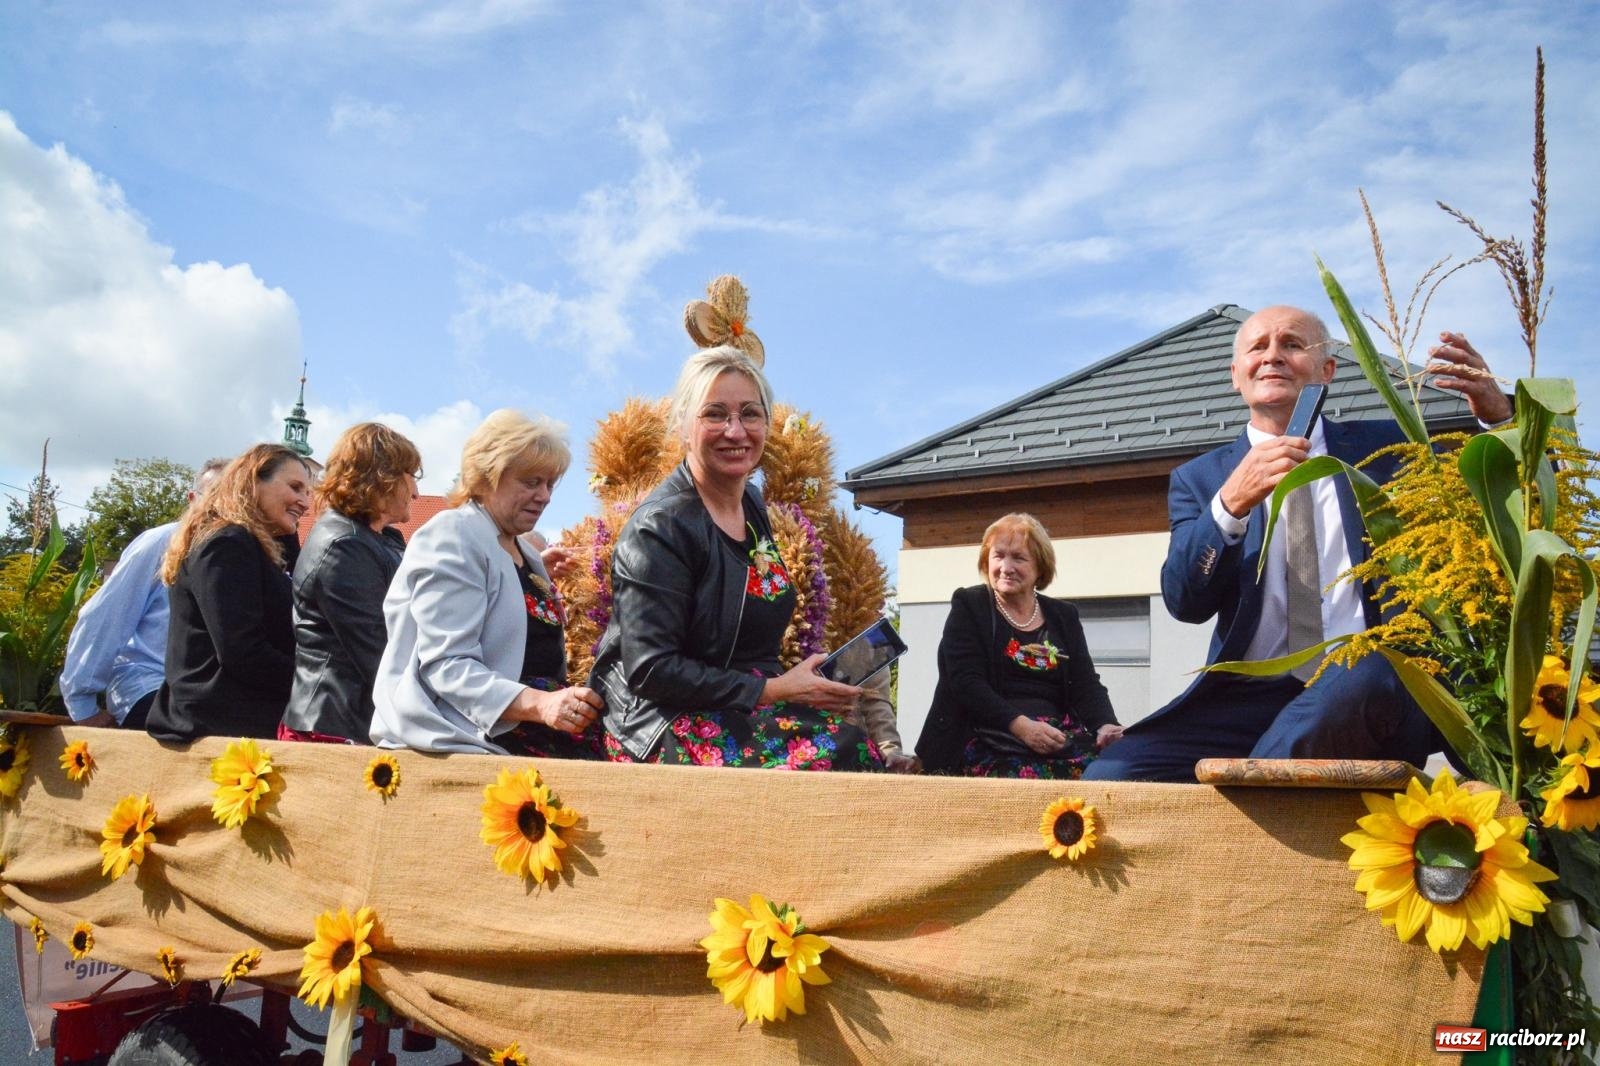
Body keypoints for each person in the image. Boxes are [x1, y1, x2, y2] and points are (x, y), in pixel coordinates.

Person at [1084, 308, 1512, 782]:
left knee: (1364, 668)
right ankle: (1262, 779)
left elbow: (1512, 499)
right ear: (1235, 376)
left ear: (1327, 369)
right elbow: (1185, 602)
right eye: (1257, 347)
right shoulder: (1200, 479)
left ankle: (1255, 784)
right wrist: (1228, 507)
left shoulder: (1392, 450)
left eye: (1291, 344)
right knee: (1114, 777)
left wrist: (1500, 418)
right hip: (1247, 698)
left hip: (1368, 684)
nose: (1273, 356)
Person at [589, 346, 881, 770]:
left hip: (736, 701)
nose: (735, 430)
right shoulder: (659, 527)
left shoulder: (752, 506)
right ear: (684, 425)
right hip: (659, 719)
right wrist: (777, 692)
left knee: (856, 744)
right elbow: (651, 671)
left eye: (749, 413)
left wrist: (803, 685)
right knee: (841, 753)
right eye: (715, 414)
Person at [369, 410, 604, 755]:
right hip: (468, 738)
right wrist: (542, 705)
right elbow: (446, 666)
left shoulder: (527, 552)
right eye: (531, 482)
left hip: (534, 732)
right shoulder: (453, 534)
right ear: (486, 477)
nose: (545, 496)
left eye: (550, 484)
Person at [917, 513, 1121, 778]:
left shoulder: (1063, 615)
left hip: (1056, 737)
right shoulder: (970, 604)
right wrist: (1023, 728)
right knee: (1032, 778)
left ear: (1040, 567)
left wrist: (1106, 725)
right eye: (998, 556)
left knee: (1111, 773)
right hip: (988, 736)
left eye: (1019, 558)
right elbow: (966, 682)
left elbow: (1086, 684)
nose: (1006, 567)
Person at [145, 445, 314, 742]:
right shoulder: (227, 542)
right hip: (218, 726)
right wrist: (314, 682)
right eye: (295, 487)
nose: (305, 501)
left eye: (307, 492)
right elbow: (242, 650)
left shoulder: (253, 542)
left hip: (236, 719)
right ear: (253, 482)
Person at [59, 459, 228, 730]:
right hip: (149, 684)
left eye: (234, 496)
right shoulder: (163, 542)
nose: (223, 507)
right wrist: (82, 705)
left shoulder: (240, 554)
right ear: (192, 498)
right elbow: (107, 615)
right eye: (215, 495)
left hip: (198, 693)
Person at [280, 423, 421, 743]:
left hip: (356, 722)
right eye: (410, 475)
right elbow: (381, 650)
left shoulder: (377, 539)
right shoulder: (343, 545)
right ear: (382, 478)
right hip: (333, 729)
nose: (415, 491)